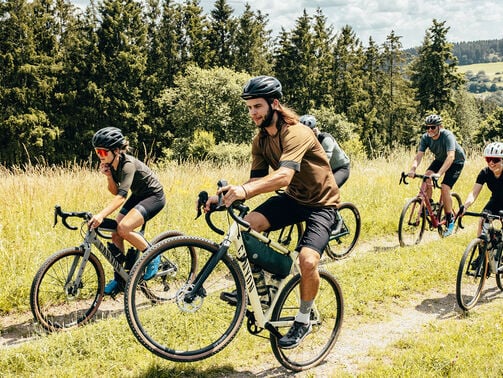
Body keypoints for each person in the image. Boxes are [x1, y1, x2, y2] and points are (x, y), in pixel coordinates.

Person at [204, 76, 340, 349]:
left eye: (257, 106)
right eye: (249, 108)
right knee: (247, 225)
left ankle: (302, 320)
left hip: (322, 203)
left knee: (308, 261)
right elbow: (255, 181)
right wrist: (221, 199)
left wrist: (244, 191)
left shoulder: (297, 132)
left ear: (274, 104)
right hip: (293, 200)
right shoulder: (260, 141)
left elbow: (284, 176)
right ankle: (267, 286)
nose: (253, 113)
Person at [89, 127, 166, 295]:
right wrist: (109, 176)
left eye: (103, 152)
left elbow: (121, 197)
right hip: (139, 195)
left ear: (116, 150)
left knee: (123, 228)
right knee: (116, 233)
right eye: (97, 152)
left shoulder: (127, 165)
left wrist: (101, 215)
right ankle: (120, 279)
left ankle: (153, 255)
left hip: (154, 196)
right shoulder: (111, 164)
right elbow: (115, 191)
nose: (100, 156)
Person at [408, 114, 465, 237]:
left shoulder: (447, 136)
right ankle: (431, 206)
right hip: (440, 159)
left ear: (440, 127)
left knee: (445, 187)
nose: (429, 130)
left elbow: (451, 156)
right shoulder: (425, 138)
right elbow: (419, 155)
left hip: (456, 162)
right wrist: (412, 169)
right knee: (426, 176)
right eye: (427, 127)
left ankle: (450, 220)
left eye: (433, 127)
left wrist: (439, 174)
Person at [461, 142, 503, 236]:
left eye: (495, 160)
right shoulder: (485, 173)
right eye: (488, 159)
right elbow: (473, 193)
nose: (491, 163)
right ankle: (481, 246)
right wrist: (465, 207)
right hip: (495, 200)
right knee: (482, 220)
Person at [299, 114, 351, 188]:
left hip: (340, 169)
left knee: (326, 189)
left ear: (314, 130)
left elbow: (324, 163)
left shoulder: (326, 139)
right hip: (327, 170)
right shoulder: (307, 142)